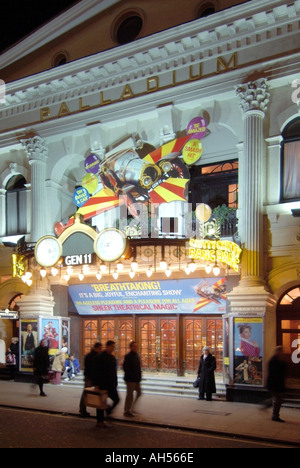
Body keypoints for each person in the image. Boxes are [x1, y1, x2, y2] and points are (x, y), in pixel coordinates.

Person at [93, 340, 119, 428]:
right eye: (112, 346)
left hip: (111, 384)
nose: (113, 348)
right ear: (107, 346)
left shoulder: (112, 357)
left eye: (114, 347)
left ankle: (108, 410)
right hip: (102, 383)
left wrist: (115, 382)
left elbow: (114, 372)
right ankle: (99, 421)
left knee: (117, 399)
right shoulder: (100, 357)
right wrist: (96, 384)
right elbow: (96, 371)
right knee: (101, 403)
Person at [79, 342, 102, 417]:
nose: (100, 350)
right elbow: (91, 368)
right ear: (96, 348)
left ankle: (83, 408)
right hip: (90, 377)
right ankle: (83, 409)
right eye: (99, 348)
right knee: (86, 393)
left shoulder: (91, 356)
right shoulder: (93, 356)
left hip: (90, 377)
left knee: (87, 393)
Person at [265, 346, 287, 422]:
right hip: (274, 384)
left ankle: (266, 405)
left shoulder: (277, 359)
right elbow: (276, 373)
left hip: (276, 384)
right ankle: (275, 416)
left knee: (278, 399)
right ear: (277, 352)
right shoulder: (273, 360)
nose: (282, 353)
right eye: (281, 351)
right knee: (278, 399)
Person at [123, 341, 142, 417]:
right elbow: (126, 368)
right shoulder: (128, 356)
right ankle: (127, 410)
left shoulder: (136, 355)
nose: (136, 348)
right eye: (134, 346)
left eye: (137, 346)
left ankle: (131, 408)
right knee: (130, 395)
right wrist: (130, 376)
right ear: (131, 347)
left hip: (136, 379)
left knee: (139, 392)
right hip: (130, 379)